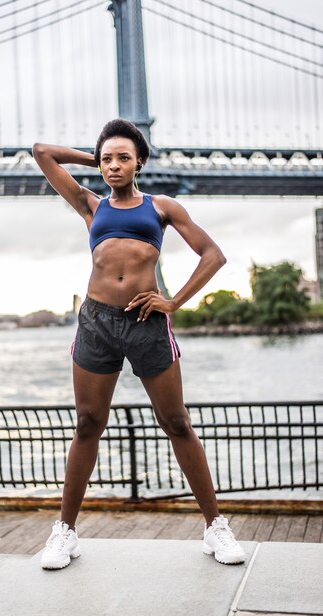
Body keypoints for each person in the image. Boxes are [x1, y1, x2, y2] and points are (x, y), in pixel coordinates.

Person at [32, 118, 246, 570]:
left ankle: (215, 528)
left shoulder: (161, 207)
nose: (113, 165)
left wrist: (174, 302)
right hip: (96, 323)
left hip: (147, 322)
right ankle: (65, 533)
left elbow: (214, 255)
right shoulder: (90, 204)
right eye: (106, 158)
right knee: (88, 423)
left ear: (140, 162)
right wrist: (95, 158)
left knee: (176, 421)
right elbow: (42, 152)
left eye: (123, 157)